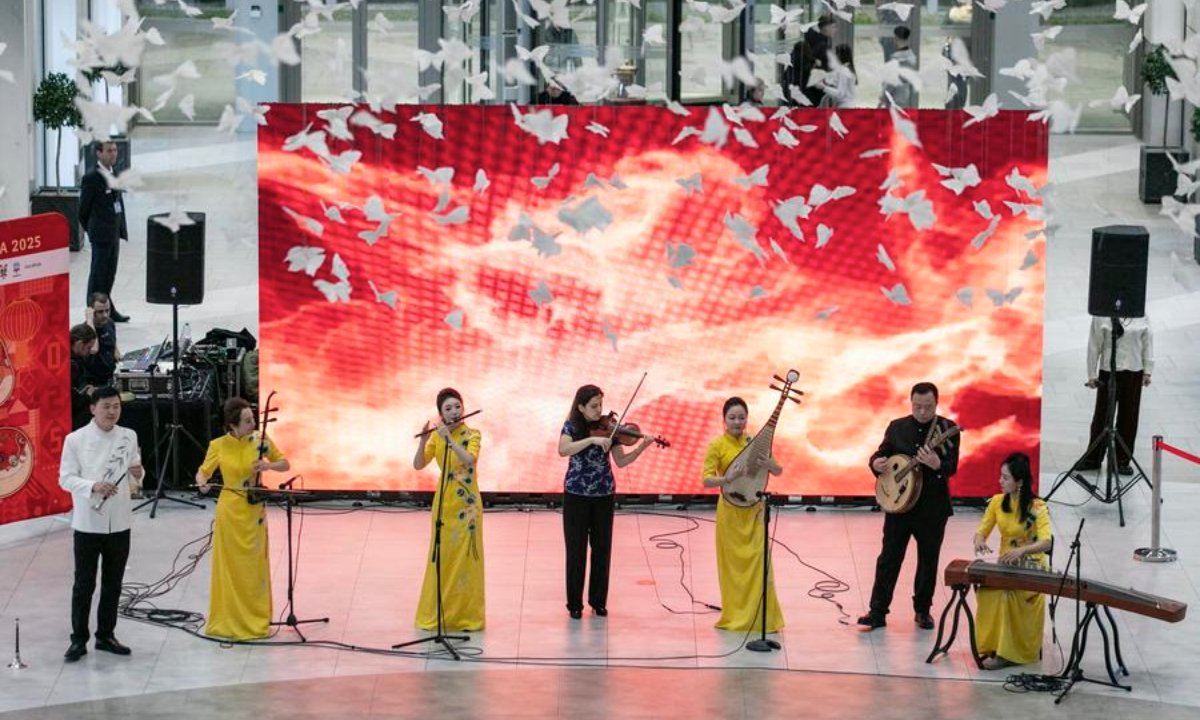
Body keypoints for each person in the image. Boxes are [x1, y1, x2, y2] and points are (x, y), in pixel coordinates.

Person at [858, 382, 961, 630]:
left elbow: (952, 467)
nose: (922, 412)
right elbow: (880, 454)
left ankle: (922, 611)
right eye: (917, 406)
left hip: (932, 508)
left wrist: (937, 464)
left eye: (928, 407)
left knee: (928, 560)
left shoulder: (948, 429)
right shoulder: (897, 427)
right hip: (900, 506)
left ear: (936, 404)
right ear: (911, 403)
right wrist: (876, 463)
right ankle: (877, 611)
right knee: (889, 558)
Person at [59, 386, 144, 661]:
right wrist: (93, 485)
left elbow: (136, 474)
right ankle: (78, 639)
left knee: (113, 583)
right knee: (84, 584)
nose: (112, 411)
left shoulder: (129, 436)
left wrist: (139, 473)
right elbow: (65, 478)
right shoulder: (75, 439)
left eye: (116, 406)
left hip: (119, 522)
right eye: (106, 406)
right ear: (92, 408)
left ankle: (106, 635)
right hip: (88, 523)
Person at [558, 384, 656, 618]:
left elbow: (621, 462)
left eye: (600, 404)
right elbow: (563, 449)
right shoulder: (572, 426)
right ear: (581, 407)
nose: (599, 410)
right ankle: (574, 605)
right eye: (593, 406)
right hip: (576, 496)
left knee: (602, 550)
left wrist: (641, 447)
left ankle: (598, 601)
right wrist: (591, 441)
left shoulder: (610, 429)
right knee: (576, 551)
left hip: (604, 495)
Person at [196, 398, 290, 640]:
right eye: (247, 421)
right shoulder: (218, 445)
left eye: (253, 418)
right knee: (230, 567)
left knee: (254, 566)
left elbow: (285, 464)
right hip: (229, 511)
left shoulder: (260, 440)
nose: (253, 424)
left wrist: (268, 467)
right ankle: (228, 620)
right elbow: (203, 472)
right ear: (232, 425)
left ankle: (256, 619)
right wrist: (202, 483)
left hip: (253, 509)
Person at [701, 397, 784, 633]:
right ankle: (736, 616)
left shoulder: (754, 443)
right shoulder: (717, 445)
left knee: (760, 565)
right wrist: (728, 478)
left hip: (754, 512)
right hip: (730, 514)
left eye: (741, 417)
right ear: (724, 420)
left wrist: (768, 464)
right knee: (733, 570)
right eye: (732, 417)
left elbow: (778, 470)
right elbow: (707, 480)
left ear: (747, 419)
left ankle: (762, 620)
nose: (737, 422)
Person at [413, 388, 485, 631]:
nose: (454, 411)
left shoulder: (473, 434)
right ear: (441, 414)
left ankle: (466, 617)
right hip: (444, 505)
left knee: (466, 560)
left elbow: (469, 460)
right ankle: (440, 613)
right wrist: (424, 441)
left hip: (468, 508)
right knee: (442, 558)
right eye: (448, 408)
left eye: (457, 406)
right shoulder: (436, 437)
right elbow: (418, 465)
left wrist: (450, 440)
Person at [972, 452, 1052, 670]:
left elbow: (1046, 542)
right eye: (1001, 476)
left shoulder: (1037, 507)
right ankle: (992, 645)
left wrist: (1022, 551)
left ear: (1020, 482)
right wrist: (979, 540)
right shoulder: (997, 502)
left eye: (1005, 477)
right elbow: (982, 530)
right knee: (987, 592)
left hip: (1031, 570)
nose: (1000, 481)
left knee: (1007, 596)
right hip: (1005, 567)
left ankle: (1006, 654)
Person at [1078, 315, 1153, 476]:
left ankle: (1121, 461)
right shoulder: (1101, 315)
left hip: (1134, 371)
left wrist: (1148, 370)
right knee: (1102, 417)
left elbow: (1147, 343)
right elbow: (1094, 345)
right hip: (1108, 371)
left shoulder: (1141, 314)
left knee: (1129, 418)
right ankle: (1093, 459)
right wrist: (1091, 374)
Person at [78, 140, 130, 323]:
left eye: (115, 150)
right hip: (101, 235)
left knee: (109, 274)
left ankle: (107, 307)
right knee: (97, 275)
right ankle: (92, 312)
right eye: (109, 151)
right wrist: (92, 230)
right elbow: (83, 210)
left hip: (113, 233)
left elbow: (117, 202)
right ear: (99, 153)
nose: (113, 154)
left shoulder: (114, 173)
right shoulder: (92, 178)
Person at [790, 14, 836, 107]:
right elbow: (824, 69)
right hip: (812, 89)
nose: (835, 30)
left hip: (801, 87)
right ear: (825, 27)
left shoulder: (811, 41)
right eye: (833, 27)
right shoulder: (822, 45)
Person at [84, 292, 121, 387]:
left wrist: (117, 352)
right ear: (91, 312)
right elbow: (94, 349)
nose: (105, 315)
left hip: (111, 377)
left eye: (107, 310)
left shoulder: (110, 323)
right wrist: (89, 321)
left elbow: (113, 344)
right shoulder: (85, 331)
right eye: (100, 312)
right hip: (95, 382)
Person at [69, 323, 98, 430]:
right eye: (89, 347)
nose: (90, 351)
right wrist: (88, 396)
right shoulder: (72, 366)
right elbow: (72, 401)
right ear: (80, 344)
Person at [880, 26, 918, 108]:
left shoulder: (896, 58)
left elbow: (891, 81)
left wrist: (883, 95)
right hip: (905, 94)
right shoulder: (912, 56)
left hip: (895, 96)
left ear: (896, 38)